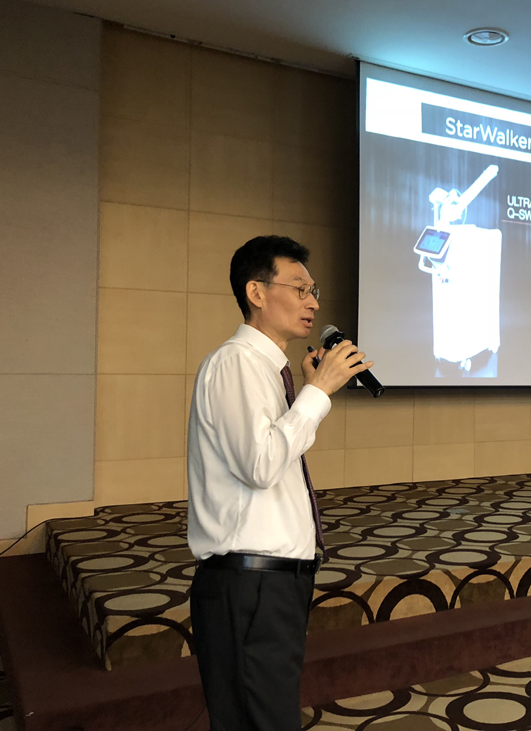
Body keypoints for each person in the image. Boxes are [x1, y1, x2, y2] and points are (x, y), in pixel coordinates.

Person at [187, 235, 372, 731]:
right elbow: (261, 464)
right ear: (257, 292)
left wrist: (308, 392)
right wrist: (317, 393)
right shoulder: (236, 363)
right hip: (248, 585)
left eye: (314, 291)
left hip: (270, 584)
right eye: (300, 288)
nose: (313, 303)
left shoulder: (267, 370)